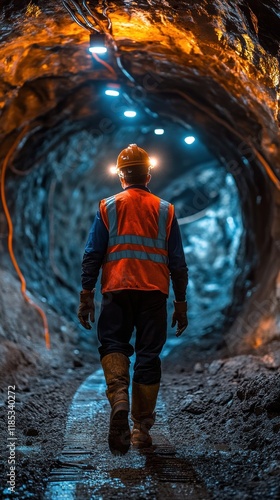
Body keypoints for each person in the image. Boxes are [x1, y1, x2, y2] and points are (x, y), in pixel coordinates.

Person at [78, 144, 188, 455]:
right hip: (154, 292)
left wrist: (86, 293)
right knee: (148, 355)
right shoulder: (165, 210)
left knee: (113, 345)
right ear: (149, 175)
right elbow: (177, 262)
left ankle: (119, 399)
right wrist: (181, 303)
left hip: (116, 290)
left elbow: (92, 254)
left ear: (121, 176)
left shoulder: (108, 206)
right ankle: (141, 429)